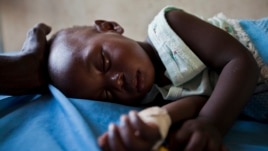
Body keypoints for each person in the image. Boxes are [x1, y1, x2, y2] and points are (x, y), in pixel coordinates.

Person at [1, 5, 268, 151]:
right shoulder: (152, 95)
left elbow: (240, 63)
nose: (116, 82)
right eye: (105, 94)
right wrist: (153, 128)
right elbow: (200, 100)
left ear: (109, 27)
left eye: (103, 62)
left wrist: (211, 124)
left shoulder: (171, 27)